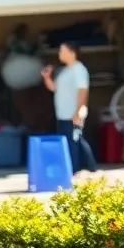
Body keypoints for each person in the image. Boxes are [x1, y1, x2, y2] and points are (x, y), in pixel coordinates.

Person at [43, 42, 99, 175]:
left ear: (72, 53)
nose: (60, 54)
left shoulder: (78, 69)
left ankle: (89, 169)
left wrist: (79, 111)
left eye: (62, 51)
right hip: (62, 114)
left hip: (73, 114)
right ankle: (74, 169)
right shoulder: (65, 71)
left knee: (76, 141)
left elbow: (83, 91)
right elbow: (54, 88)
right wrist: (46, 78)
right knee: (69, 142)